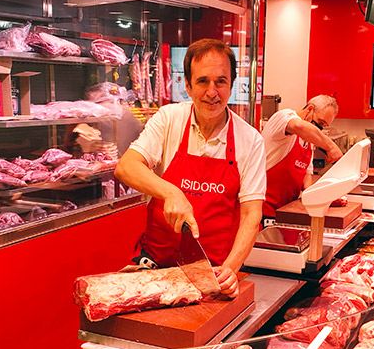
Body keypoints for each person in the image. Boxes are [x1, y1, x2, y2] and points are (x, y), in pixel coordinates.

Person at [114, 39, 265, 297]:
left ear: (231, 85)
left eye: (221, 81)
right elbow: (126, 167)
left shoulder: (250, 140)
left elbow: (252, 215)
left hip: (212, 273)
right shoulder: (168, 118)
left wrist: (231, 269)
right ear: (187, 85)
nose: (212, 91)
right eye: (203, 81)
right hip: (154, 269)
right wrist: (172, 193)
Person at [260, 95, 344, 224]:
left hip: (286, 212)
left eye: (324, 126)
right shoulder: (283, 117)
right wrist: (331, 146)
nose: (319, 130)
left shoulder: (308, 143)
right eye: (320, 123)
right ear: (309, 110)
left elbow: (307, 185)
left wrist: (326, 197)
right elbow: (298, 126)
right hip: (264, 211)